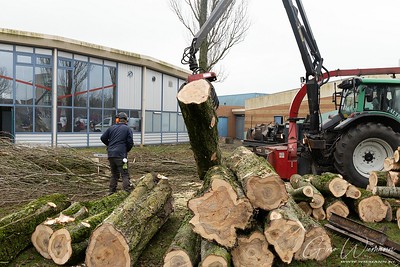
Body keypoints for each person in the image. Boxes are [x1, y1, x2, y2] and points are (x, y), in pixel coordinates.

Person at [100, 112, 134, 194]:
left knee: (114, 174)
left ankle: (111, 191)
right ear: (126, 120)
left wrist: (110, 146)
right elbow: (130, 143)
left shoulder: (111, 128)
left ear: (118, 119)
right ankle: (127, 191)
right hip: (121, 155)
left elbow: (103, 138)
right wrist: (126, 150)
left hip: (111, 155)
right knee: (124, 174)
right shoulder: (127, 129)